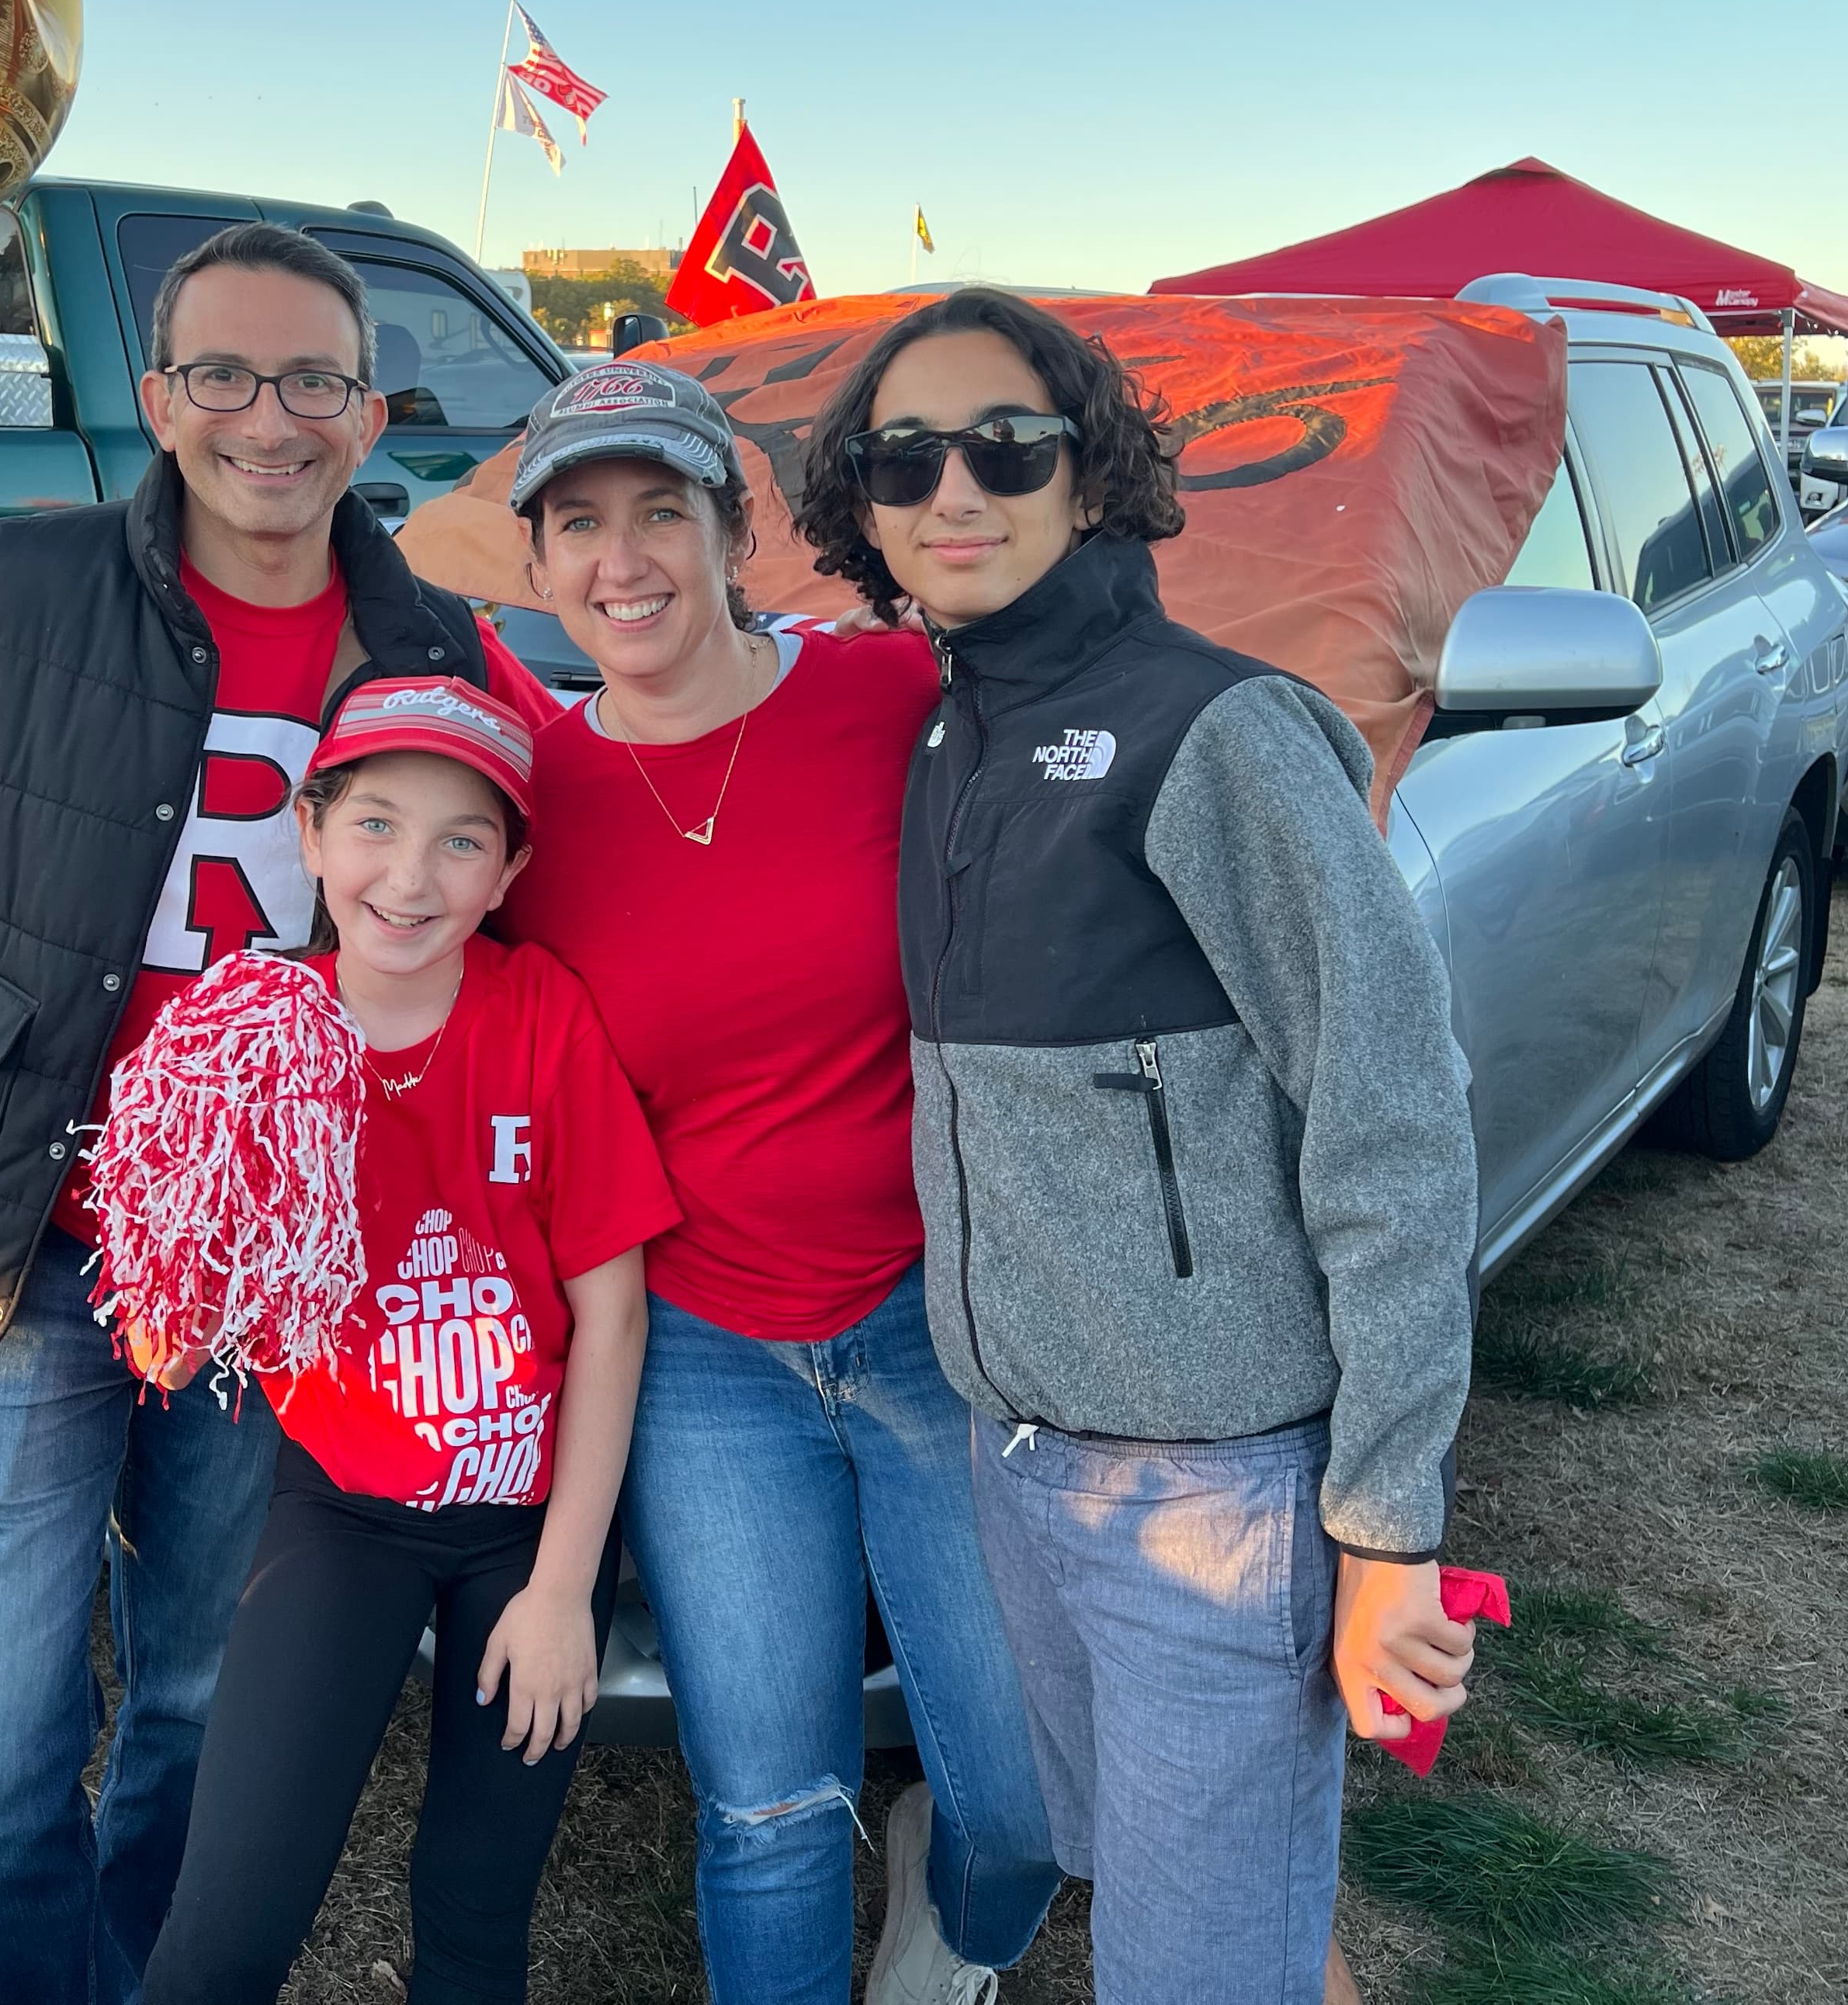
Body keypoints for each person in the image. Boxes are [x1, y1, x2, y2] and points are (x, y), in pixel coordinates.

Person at [0, 224, 560, 2005]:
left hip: (264, 1293)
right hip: (9, 1241)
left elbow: (572, 849)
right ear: (157, 400)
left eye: (311, 381)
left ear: (371, 414)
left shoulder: (431, 644)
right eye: (221, 374)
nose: (266, 419)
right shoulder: (24, 586)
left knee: (202, 1710)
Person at [796, 286, 1481, 2005]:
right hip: (1020, 1456)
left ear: (1086, 476)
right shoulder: (947, 720)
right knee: (1195, 1916)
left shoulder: (1217, 733)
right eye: (902, 456)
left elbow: (1392, 1121)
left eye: (1002, 447)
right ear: (859, 503)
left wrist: (1385, 1522)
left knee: (1194, 1964)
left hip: (1210, 1481)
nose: (952, 488)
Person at [495, 362, 1059, 2005]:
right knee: (766, 1809)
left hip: (930, 1323)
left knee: (1023, 1801)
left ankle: (949, 1916)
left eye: (660, 512)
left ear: (733, 529)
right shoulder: (525, 806)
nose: (623, 561)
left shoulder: (889, 699)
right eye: (577, 526)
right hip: (698, 1351)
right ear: (533, 568)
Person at [129, 677, 675, 2003]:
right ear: (308, 836)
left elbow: (611, 1310)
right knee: (232, 1918)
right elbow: (173, 1318)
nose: (410, 877)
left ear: (509, 871)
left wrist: (561, 1590)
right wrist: (179, 1287)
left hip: (526, 1522)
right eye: (373, 824)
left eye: (461, 840)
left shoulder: (538, 1011)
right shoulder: (255, 1034)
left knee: (474, 1909)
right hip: (345, 1508)